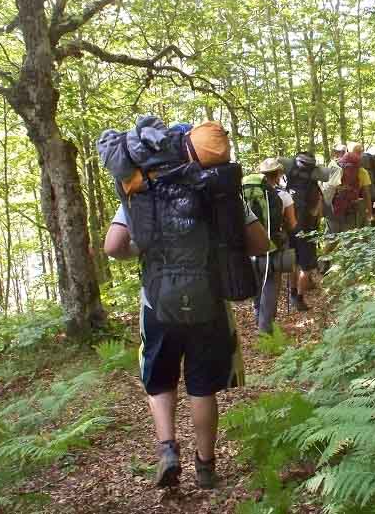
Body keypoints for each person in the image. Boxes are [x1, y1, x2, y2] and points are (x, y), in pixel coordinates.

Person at [102, 122, 268, 492]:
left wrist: (140, 250)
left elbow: (113, 246)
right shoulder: (221, 190)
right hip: (209, 302)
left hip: (156, 302)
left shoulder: (144, 189)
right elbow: (260, 243)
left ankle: (167, 449)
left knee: (160, 381)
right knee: (202, 386)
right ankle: (206, 467)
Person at [243, 158, 297, 334]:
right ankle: (265, 330)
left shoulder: (245, 194)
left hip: (247, 248)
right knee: (270, 285)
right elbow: (292, 224)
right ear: (278, 174)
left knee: (256, 284)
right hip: (272, 247)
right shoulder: (283, 195)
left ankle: (259, 317)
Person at [280, 151, 332, 310]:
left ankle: (293, 292)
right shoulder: (313, 189)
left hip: (290, 228)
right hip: (307, 230)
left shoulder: (289, 182)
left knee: (293, 263)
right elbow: (318, 212)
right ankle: (300, 298)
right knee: (306, 267)